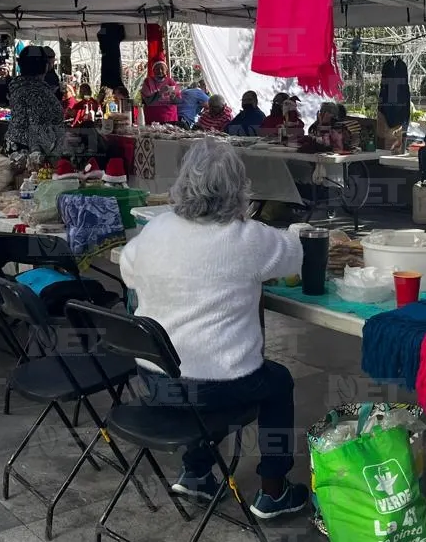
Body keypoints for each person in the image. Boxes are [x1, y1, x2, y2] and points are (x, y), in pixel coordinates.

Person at [120, 140, 310, 519]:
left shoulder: (157, 230)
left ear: (184, 182)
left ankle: (197, 473)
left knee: (193, 367)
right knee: (276, 382)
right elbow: (294, 256)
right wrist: (297, 230)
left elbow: (128, 272)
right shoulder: (249, 237)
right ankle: (273, 490)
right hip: (218, 385)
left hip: (154, 379)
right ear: (240, 187)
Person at [6, 47, 65, 155]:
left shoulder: (17, 86)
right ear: (45, 66)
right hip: (32, 152)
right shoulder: (37, 92)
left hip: (17, 145)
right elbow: (37, 126)